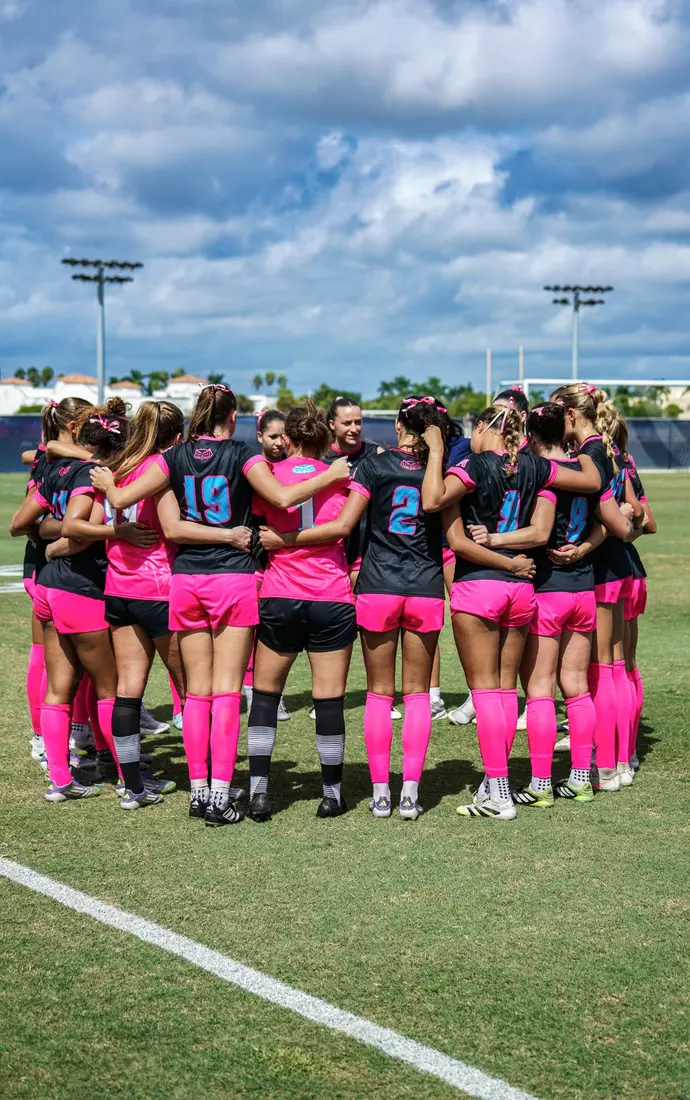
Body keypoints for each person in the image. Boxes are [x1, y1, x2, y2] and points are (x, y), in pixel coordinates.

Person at [92, 383, 350, 826]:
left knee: (197, 692)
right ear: (232, 418)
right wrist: (329, 475)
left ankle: (197, 792)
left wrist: (108, 481)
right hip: (232, 580)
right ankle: (220, 794)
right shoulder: (243, 454)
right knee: (229, 689)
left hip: (187, 581)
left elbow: (137, 511)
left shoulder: (171, 458)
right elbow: (285, 498)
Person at [422, 399, 602, 820]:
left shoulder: (472, 465)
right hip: (522, 591)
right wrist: (592, 451)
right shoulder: (536, 467)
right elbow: (591, 482)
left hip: (480, 587)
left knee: (485, 693)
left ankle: (498, 791)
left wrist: (436, 452)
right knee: (504, 691)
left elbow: (432, 501)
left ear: (486, 426)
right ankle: (496, 783)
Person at [476, 403, 632, 807]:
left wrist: (494, 540)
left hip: (547, 589)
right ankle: (582, 777)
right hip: (583, 589)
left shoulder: (540, 473)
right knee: (577, 689)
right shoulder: (586, 472)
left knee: (540, 689)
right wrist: (583, 548)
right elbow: (607, 524)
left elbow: (536, 533)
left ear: (530, 432)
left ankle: (541, 783)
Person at [10, 399, 160, 804]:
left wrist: (50, 537)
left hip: (48, 587)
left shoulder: (54, 468)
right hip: (82, 589)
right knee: (108, 689)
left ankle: (61, 780)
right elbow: (79, 525)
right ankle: (130, 778)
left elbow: (19, 524)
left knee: (60, 688)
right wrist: (116, 532)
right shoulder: (91, 475)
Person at [245, 401, 357, 820]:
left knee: (265, 695)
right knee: (329, 700)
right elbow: (348, 529)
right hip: (331, 595)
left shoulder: (268, 476)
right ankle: (332, 795)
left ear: (287, 438)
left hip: (279, 594)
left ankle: (258, 794)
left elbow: (258, 529)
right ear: (327, 439)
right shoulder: (344, 476)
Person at [550, 385, 645, 791]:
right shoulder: (607, 451)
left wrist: (584, 547)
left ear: (571, 414)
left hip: (603, 571)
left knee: (603, 670)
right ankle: (623, 759)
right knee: (618, 669)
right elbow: (634, 517)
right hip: (621, 567)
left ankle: (607, 765)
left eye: (555, 413)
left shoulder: (589, 455)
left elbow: (615, 522)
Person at [100, 400, 187, 807]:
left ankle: (132, 786)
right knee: (193, 690)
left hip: (119, 587)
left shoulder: (115, 467)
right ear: (176, 436)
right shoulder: (160, 469)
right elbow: (173, 528)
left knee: (128, 689)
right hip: (158, 590)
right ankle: (207, 782)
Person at [611, 415, 656, 772]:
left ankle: (613, 756)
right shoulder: (625, 461)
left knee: (609, 668)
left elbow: (642, 521)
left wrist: (618, 531)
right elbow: (646, 520)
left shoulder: (602, 462)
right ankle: (627, 752)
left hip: (610, 573)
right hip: (631, 571)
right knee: (626, 667)